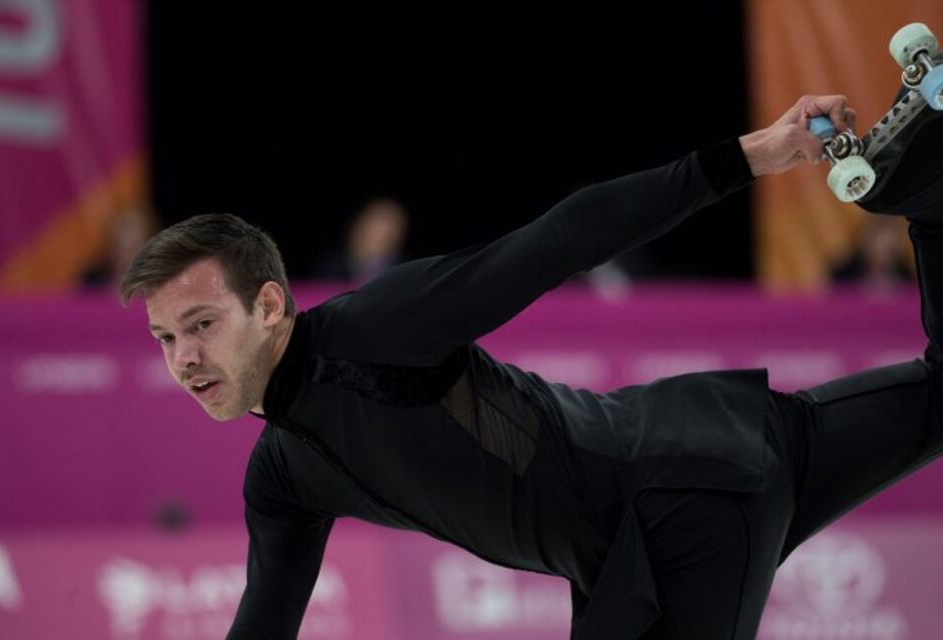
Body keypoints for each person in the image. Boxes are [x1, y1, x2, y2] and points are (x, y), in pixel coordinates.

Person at [119, 94, 942, 639]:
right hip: (714, 458)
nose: (185, 357)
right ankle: (931, 194)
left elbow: (558, 240)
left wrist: (751, 154)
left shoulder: (374, 328)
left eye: (201, 324)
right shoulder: (282, 478)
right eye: (165, 339)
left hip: (673, 514)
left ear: (267, 305)